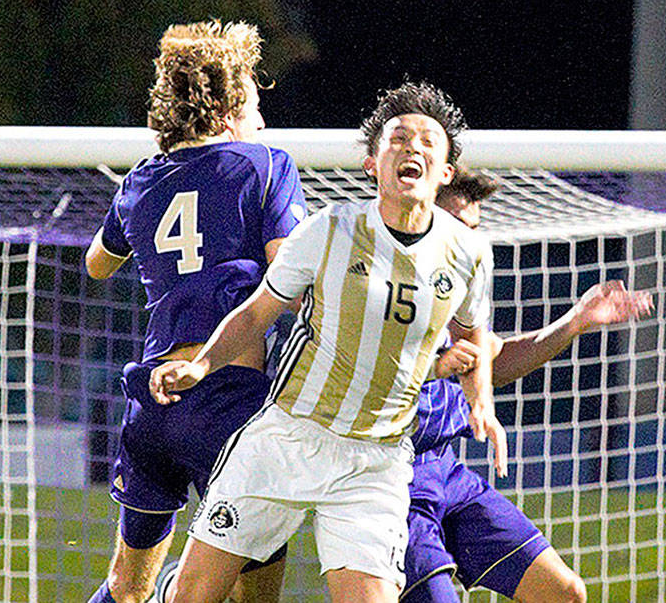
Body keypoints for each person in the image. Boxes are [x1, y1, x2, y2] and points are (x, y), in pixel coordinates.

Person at [150, 81, 507, 603]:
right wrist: (201, 366)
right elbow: (255, 315)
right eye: (399, 138)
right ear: (372, 162)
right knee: (192, 597)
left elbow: (475, 332)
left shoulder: (469, 254)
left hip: (374, 459)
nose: (414, 148)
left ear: (446, 171)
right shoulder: (327, 231)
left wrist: (482, 400)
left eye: (429, 141)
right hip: (288, 437)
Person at [83, 20, 308, 603]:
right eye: (256, 102)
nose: (262, 119)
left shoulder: (138, 183)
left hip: (153, 403)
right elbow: (292, 273)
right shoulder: (264, 165)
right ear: (230, 105)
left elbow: (96, 265)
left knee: (126, 588)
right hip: (228, 402)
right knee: (248, 594)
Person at [399, 167, 654, 603]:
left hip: (448, 472)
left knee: (565, 593)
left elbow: (492, 361)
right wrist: (435, 366)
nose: (470, 241)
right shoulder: (388, 285)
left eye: (475, 229)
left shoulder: (461, 293)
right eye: (458, 226)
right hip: (393, 482)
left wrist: (574, 322)